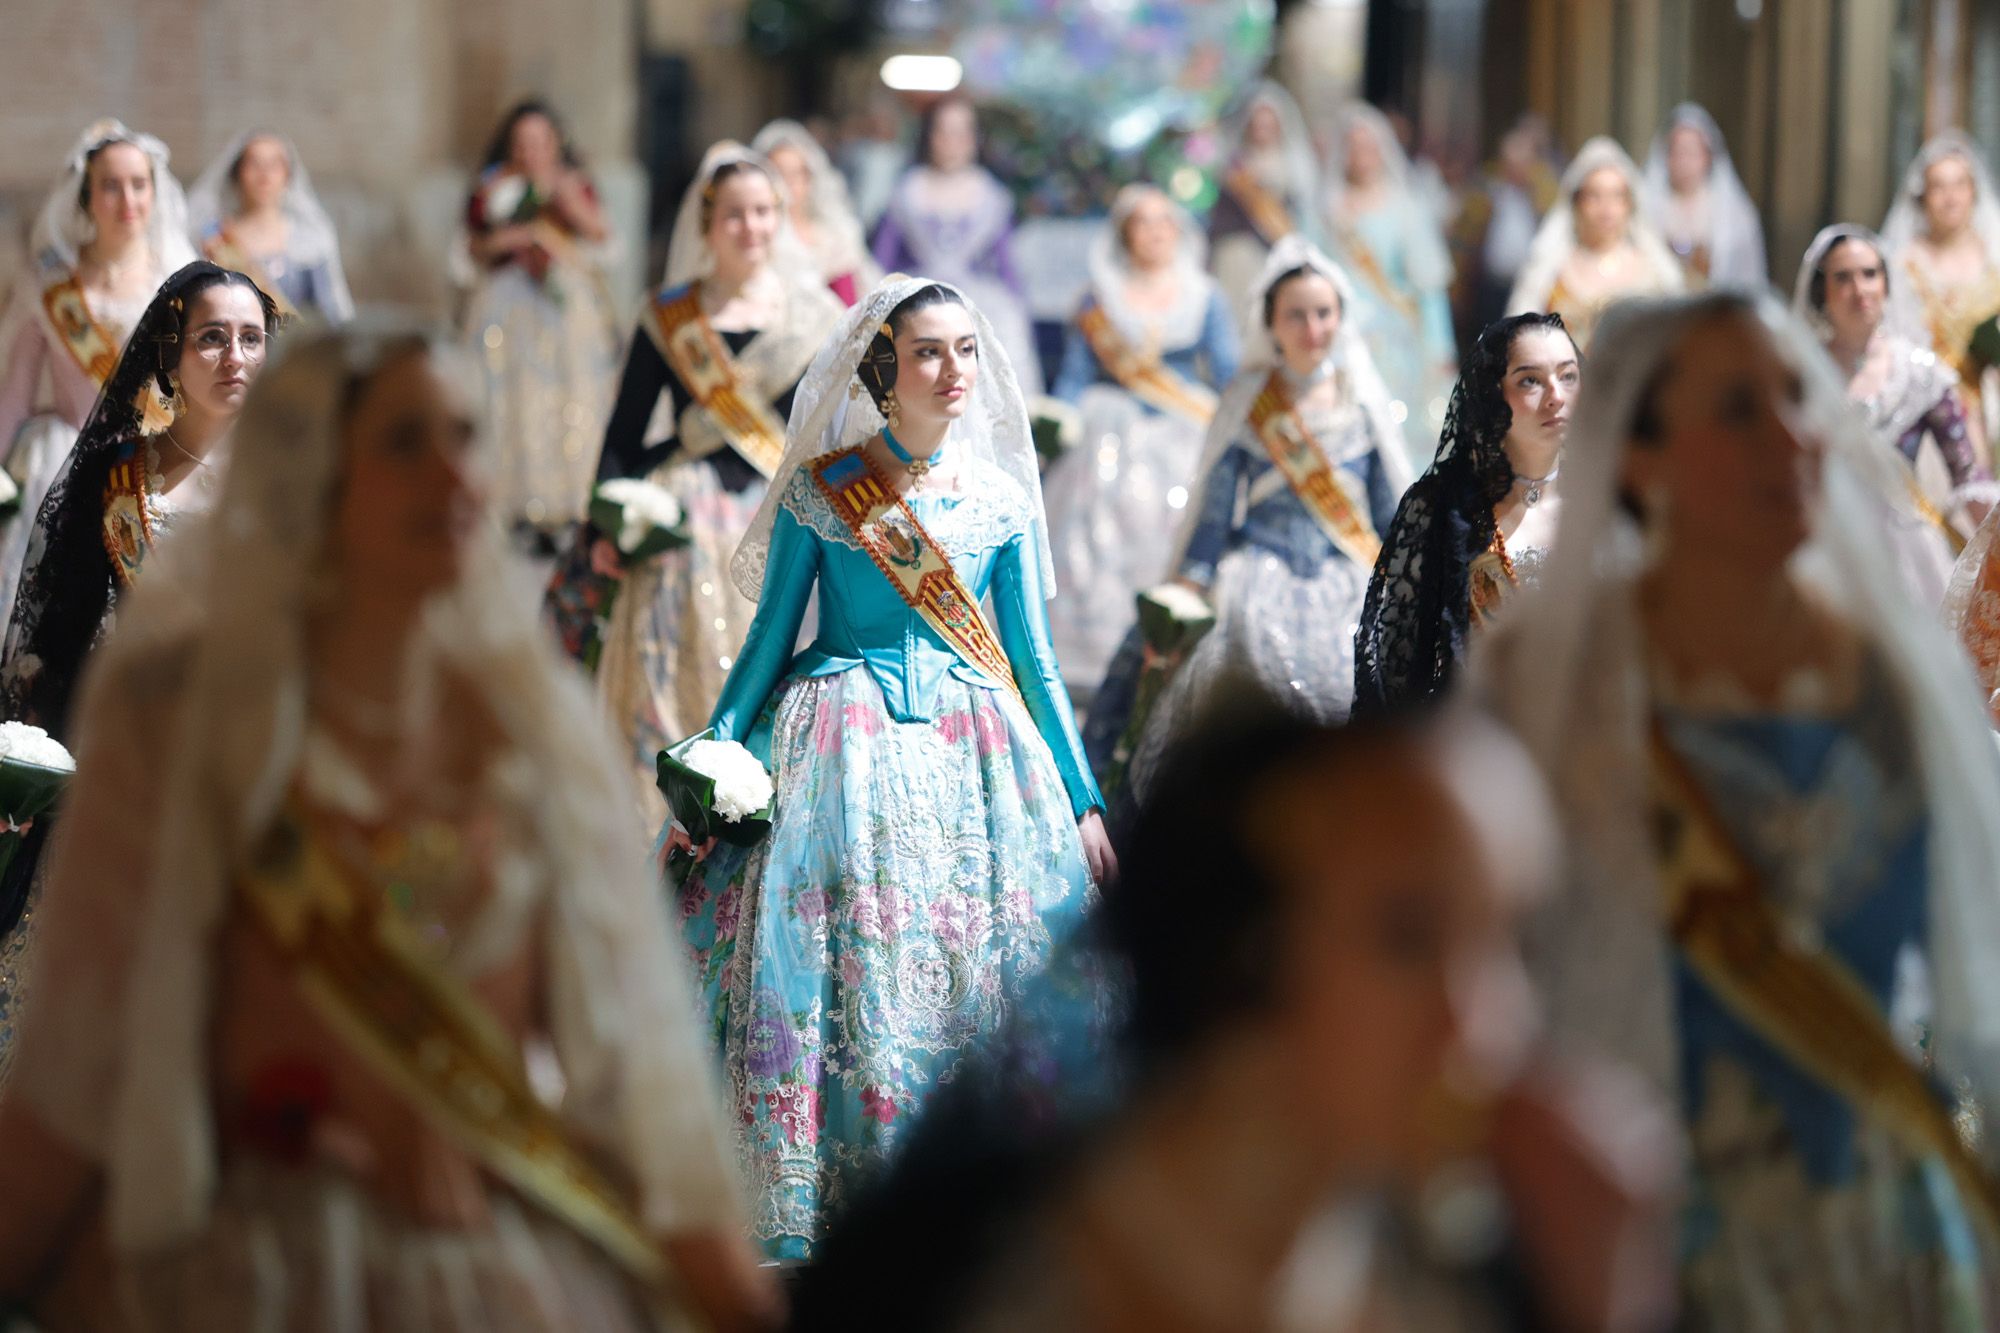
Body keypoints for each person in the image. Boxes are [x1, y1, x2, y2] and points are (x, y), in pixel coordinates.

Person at [0, 320, 776, 1331]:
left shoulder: (530, 729)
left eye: (466, 436)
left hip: (491, 1276)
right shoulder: (176, 722)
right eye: (405, 442)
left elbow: (643, 1095)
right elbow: (76, 1074)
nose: (454, 476)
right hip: (236, 1270)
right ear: (311, 472)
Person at [791, 699, 1677, 1332]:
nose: (1491, 1024)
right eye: (1409, 936)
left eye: (1511, 939)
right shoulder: (983, 1274)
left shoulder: (1477, 1277)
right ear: (1243, 949)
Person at [1486, 290, 2000, 1328]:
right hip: (1639, 1243)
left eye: (1794, 397)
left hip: (1873, 1231)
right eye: (1734, 408)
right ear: (1637, 458)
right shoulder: (1550, 685)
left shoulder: (1891, 681)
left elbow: (1969, 973)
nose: (1790, 437)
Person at [670, 276, 1115, 1261]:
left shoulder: (1000, 499)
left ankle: (973, 1180)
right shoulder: (824, 491)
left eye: (964, 349)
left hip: (981, 756)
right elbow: (766, 644)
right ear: (883, 371)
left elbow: (1033, 662)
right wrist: (708, 759)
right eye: (927, 352)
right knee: (844, 964)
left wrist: (1083, 797)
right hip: (840, 744)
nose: (952, 371)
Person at [0, 263, 277, 1058]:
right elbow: (54, 636)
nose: (236, 358)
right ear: (171, 354)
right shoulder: (118, 476)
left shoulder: (296, 483)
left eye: (252, 338)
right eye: (212, 338)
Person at [561, 142, 841, 818]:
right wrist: (607, 527)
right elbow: (624, 436)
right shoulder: (671, 315)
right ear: (707, 227)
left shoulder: (818, 319)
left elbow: (834, 437)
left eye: (764, 212)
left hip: (781, 517)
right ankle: (662, 813)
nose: (752, 229)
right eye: (735, 216)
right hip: (689, 515)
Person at [1117, 237, 1413, 797]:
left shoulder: (1362, 402)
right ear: (1271, 324)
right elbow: (1214, 507)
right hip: (1257, 569)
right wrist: (1193, 579)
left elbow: (1385, 512)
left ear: (1341, 318)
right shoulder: (1250, 399)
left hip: (1347, 574)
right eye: (1295, 315)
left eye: (1323, 313)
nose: (1311, 328)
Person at [0, 119, 196, 631]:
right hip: (69, 462)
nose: (127, 200)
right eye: (110, 185)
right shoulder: (51, 289)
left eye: (139, 184)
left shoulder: (183, 282)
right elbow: (15, 400)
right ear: (86, 198)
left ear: (155, 193)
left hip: (158, 460)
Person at [1044, 184, 1239, 693]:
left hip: (1183, 425)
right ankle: (1097, 647)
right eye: (1142, 222)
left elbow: (1226, 369)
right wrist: (1058, 418)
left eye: (1164, 222)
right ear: (1124, 233)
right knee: (1097, 519)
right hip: (1110, 424)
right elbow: (1075, 372)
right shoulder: (1098, 296)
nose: (1154, 232)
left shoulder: (1203, 293)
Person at [1353, 312, 1577, 717]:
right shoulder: (1442, 508)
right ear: (1492, 394)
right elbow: (1398, 669)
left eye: (1568, 376)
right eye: (1530, 380)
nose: (1555, 395)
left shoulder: (1610, 501)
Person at [1793, 223, 1994, 604]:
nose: (1860, 289)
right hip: (1821, 544)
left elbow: (1967, 477)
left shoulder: (1919, 373)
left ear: (1886, 283)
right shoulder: (1799, 371)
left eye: (1870, 274)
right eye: (1843, 277)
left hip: (1905, 553)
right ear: (1823, 291)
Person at [458, 99, 622, 545]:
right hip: (507, 307)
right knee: (511, 396)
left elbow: (603, 237)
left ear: (555, 143)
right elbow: (470, 248)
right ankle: (511, 500)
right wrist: (511, 238)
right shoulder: (493, 188)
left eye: (540, 141)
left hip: (565, 304)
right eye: (522, 142)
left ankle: (571, 500)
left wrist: (566, 201)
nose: (531, 151)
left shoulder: (573, 184)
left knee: (572, 394)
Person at [871, 97, 1044, 395]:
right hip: (915, 296)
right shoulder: (908, 191)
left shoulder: (990, 195)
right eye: (944, 132)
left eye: (962, 132)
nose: (953, 142)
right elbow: (881, 259)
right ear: (929, 137)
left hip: (978, 300)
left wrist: (1017, 308)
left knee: (1003, 331)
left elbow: (1005, 265)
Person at [1321, 102, 1458, 466]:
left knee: (1399, 434)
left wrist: (1439, 348)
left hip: (1396, 343)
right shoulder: (1327, 209)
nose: (1361, 155)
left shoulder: (1405, 208)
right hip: (1338, 336)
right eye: (1354, 146)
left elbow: (1429, 289)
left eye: (1369, 146)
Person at [1880, 132, 2000, 472]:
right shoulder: (1904, 265)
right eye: (1939, 187)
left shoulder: (1996, 255)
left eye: (1959, 185)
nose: (1951, 198)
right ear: (1922, 197)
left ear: (1973, 191)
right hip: (1930, 413)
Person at [1508, 137, 1683, 351]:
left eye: (1616, 196)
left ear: (1629, 204)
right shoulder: (1551, 268)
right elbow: (1519, 339)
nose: (1606, 209)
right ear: (1577, 203)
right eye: (1594, 196)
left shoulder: (1655, 271)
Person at [187, 131, 355, 324]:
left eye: (274, 165)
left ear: (288, 175)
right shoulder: (215, 236)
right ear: (236, 173)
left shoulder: (308, 240)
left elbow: (330, 311)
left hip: (290, 350)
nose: (264, 174)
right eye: (254, 164)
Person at [1206, 82, 1323, 318]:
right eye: (1257, 123)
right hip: (1238, 257)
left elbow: (1303, 216)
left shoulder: (1295, 167)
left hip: (1277, 255)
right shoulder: (1234, 167)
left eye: (1268, 123)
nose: (1262, 129)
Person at [1451, 115, 1562, 346]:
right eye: (1509, 163)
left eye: (1521, 163)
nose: (1515, 169)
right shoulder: (1486, 191)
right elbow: (1465, 237)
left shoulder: (1545, 193)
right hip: (1490, 286)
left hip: (1529, 283)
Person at [752, 119, 882, 307]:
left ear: (809, 177)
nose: (787, 184)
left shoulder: (833, 236)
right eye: (778, 174)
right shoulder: (757, 236)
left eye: (795, 174)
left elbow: (846, 301)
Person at [1640, 105, 1767, 289]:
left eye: (1692, 153)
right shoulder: (1647, 205)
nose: (1684, 162)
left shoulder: (1735, 214)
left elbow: (1748, 277)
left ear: (1708, 156)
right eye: (1678, 152)